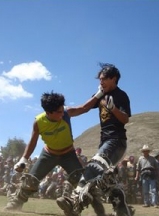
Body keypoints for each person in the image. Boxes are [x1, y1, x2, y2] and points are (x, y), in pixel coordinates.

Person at [56, 63, 133, 216]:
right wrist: (97, 96)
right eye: (99, 80)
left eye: (104, 79)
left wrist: (113, 109)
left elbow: (125, 119)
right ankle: (122, 210)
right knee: (105, 178)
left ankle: (74, 202)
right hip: (105, 141)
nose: (100, 82)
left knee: (94, 167)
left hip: (116, 140)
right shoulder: (101, 94)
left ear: (114, 79)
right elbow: (84, 108)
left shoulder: (121, 95)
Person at [4, 92, 84, 211]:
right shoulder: (38, 122)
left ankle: (74, 207)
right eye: (59, 112)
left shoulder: (67, 113)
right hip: (49, 154)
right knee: (31, 180)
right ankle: (16, 203)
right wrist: (23, 159)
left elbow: (84, 108)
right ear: (48, 112)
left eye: (63, 110)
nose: (62, 114)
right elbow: (33, 141)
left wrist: (99, 94)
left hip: (68, 154)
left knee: (81, 180)